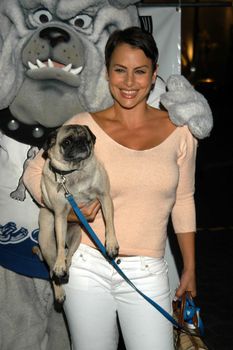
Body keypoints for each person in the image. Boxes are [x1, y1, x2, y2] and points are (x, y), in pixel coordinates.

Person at [23, 26, 197, 350]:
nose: (129, 82)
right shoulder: (84, 125)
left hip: (148, 269)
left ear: (155, 73)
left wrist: (190, 268)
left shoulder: (180, 130)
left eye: (140, 71)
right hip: (87, 266)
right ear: (107, 73)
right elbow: (36, 170)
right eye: (120, 70)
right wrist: (65, 209)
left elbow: (184, 199)